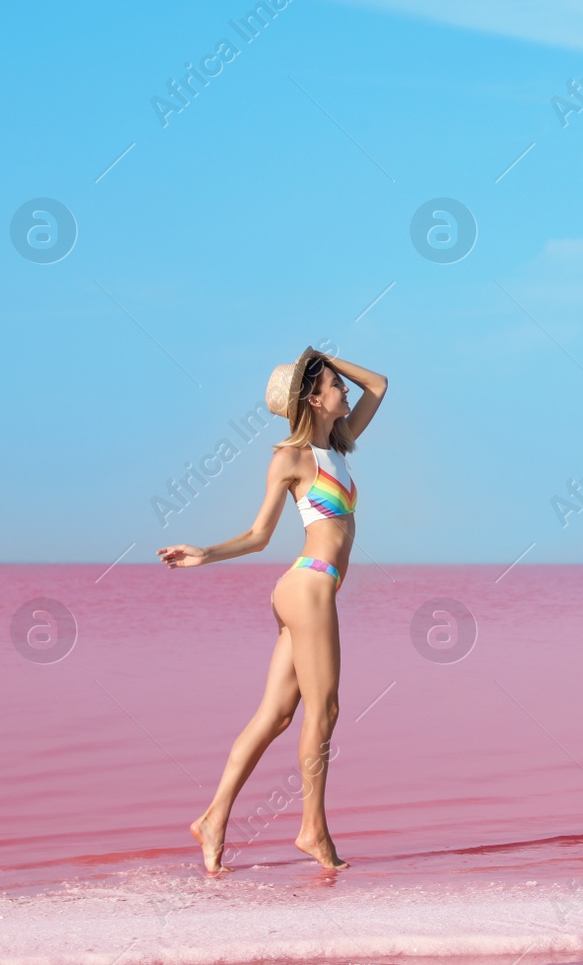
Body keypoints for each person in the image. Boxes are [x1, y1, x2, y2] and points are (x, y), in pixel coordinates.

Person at [157, 348, 388, 873]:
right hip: (308, 586)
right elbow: (260, 535)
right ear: (313, 397)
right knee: (323, 710)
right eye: (334, 384)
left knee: (277, 714)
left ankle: (213, 819)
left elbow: (378, 383)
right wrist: (205, 553)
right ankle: (312, 831)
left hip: (310, 589)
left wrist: (327, 356)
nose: (344, 391)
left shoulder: (339, 445)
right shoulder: (293, 456)